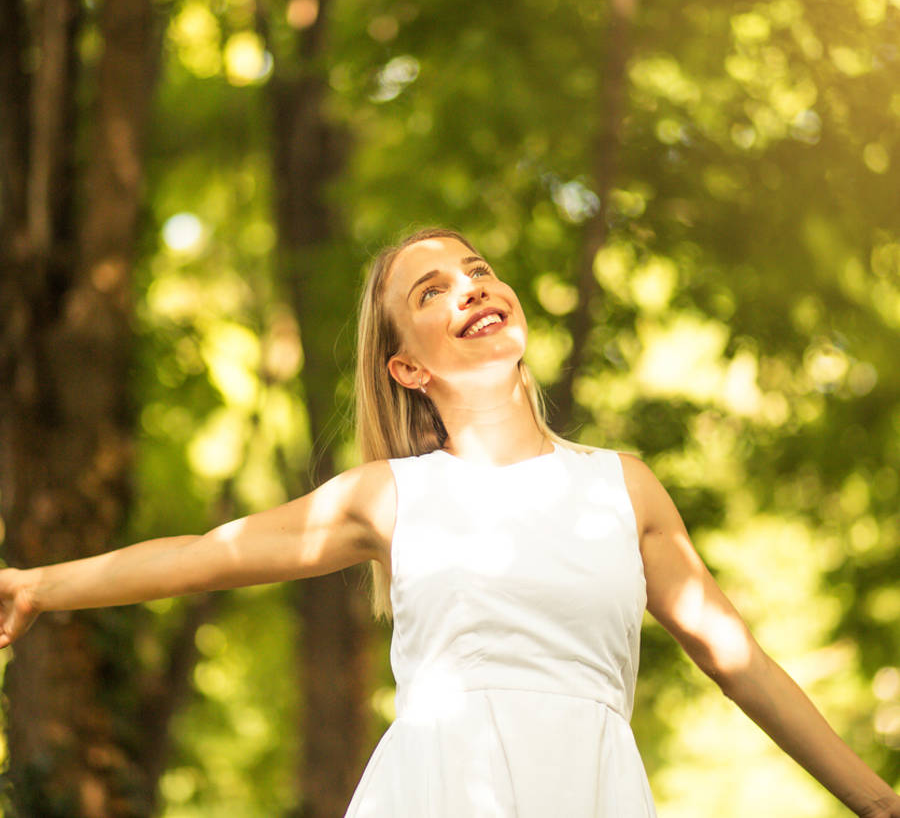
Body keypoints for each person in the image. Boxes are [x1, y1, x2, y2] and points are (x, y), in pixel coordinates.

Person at [0, 227, 898, 817]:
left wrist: (880, 803)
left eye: (478, 271)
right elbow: (206, 553)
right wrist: (37, 587)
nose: (470, 288)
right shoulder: (391, 495)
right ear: (408, 370)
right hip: (435, 791)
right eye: (431, 291)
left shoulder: (624, 488)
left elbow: (741, 663)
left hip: (590, 789)